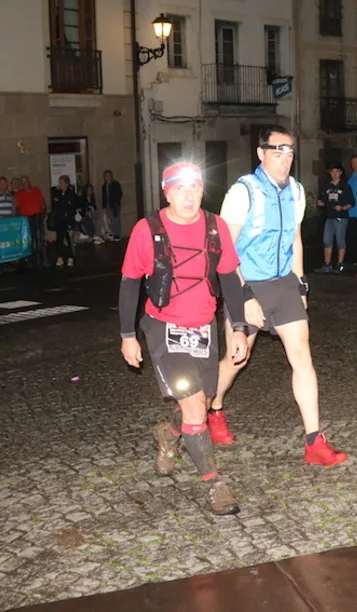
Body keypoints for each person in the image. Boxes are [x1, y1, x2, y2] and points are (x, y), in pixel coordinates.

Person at [209, 125, 348, 466]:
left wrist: (301, 285)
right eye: (277, 152)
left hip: (283, 283)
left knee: (302, 357)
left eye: (289, 152)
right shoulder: (243, 192)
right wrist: (244, 296)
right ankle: (213, 408)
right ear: (261, 153)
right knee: (237, 358)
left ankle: (314, 441)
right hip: (247, 283)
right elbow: (225, 251)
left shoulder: (296, 191)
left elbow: (295, 240)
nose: (285, 159)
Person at [120, 162, 249, 515]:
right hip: (164, 328)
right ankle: (215, 484)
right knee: (194, 407)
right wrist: (128, 335)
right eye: (180, 189)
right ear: (167, 193)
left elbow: (229, 279)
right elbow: (130, 283)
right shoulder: (148, 230)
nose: (189, 196)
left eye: (195, 188)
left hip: (203, 328)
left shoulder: (215, 226)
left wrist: (238, 327)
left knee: (201, 404)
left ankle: (169, 433)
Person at [315, 164, 354, 273]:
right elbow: (322, 199)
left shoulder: (345, 187)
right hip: (329, 217)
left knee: (340, 240)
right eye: (332, 172)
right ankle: (327, 264)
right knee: (327, 240)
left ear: (340, 172)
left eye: (337, 171)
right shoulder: (327, 186)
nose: (335, 174)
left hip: (341, 217)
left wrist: (342, 208)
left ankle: (340, 264)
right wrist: (320, 203)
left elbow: (351, 202)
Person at [16, 176, 47, 269]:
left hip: (38, 217)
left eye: (26, 181)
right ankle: (33, 262)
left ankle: (44, 260)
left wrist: (43, 213)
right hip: (27, 219)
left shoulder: (36, 190)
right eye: (22, 182)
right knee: (31, 241)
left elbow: (42, 202)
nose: (25, 184)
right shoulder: (19, 194)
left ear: (29, 181)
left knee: (40, 239)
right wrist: (22, 218)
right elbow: (17, 209)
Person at [51, 175, 80, 268]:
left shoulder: (71, 193)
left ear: (66, 184)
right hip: (59, 219)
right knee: (59, 239)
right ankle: (60, 257)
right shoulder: (57, 193)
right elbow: (55, 205)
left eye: (62, 183)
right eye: (59, 182)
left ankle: (71, 257)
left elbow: (69, 205)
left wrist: (60, 201)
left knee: (69, 239)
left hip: (68, 220)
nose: (60, 184)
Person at [102, 170, 123, 241]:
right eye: (106, 176)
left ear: (111, 176)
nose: (107, 177)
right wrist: (103, 207)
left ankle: (118, 235)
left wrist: (116, 202)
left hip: (115, 205)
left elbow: (119, 193)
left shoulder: (115, 184)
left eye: (109, 175)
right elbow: (104, 197)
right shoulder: (104, 186)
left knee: (116, 220)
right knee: (111, 221)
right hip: (108, 206)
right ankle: (113, 234)